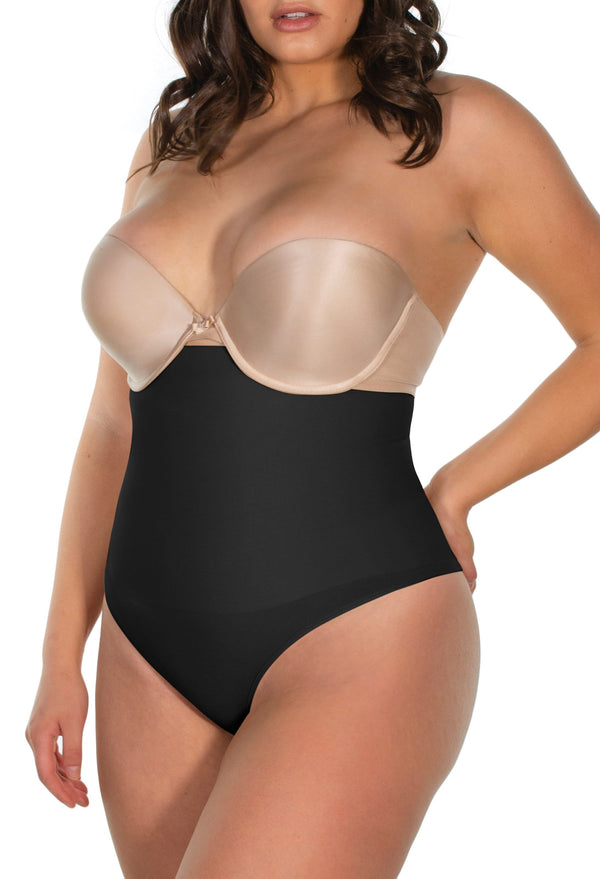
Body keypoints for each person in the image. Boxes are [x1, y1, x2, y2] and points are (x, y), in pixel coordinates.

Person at [24, 1, 600, 877]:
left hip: (359, 627)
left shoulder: (455, 128)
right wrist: (60, 650)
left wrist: (459, 486)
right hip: (148, 653)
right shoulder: (173, 143)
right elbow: (111, 421)